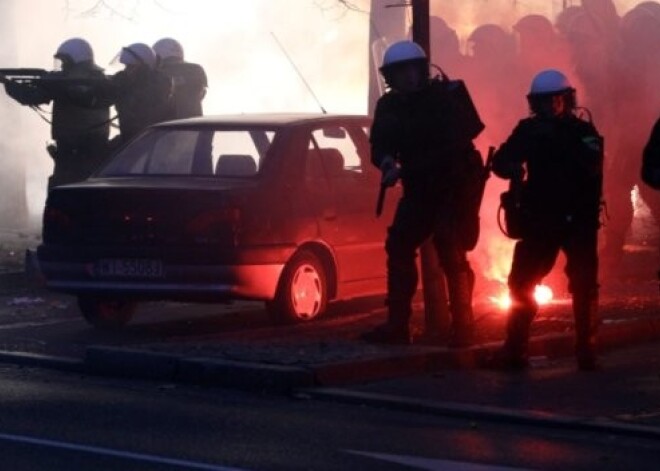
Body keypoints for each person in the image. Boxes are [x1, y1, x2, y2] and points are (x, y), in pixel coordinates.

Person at [361, 40, 483, 347]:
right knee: (399, 244)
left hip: (451, 188)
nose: (409, 77)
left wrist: (405, 170)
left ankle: (464, 327)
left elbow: (451, 149)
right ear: (391, 76)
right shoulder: (389, 106)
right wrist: (387, 161)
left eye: (413, 70)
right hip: (419, 190)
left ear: (422, 69)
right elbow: (380, 144)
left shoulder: (443, 99)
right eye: (401, 72)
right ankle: (398, 326)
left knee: (450, 249)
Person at [491, 70, 604, 371]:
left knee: (583, 284)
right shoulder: (528, 130)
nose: (548, 107)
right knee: (521, 283)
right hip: (540, 218)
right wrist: (513, 167)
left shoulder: (583, 132)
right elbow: (501, 161)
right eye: (541, 102)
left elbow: (592, 165)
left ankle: (587, 350)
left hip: (577, 219)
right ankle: (515, 349)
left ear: (566, 100)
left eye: (554, 100)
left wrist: (555, 142)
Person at [3, 38, 111, 188]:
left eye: (65, 61)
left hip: (70, 153)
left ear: (74, 61)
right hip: (98, 152)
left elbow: (31, 96)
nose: (63, 66)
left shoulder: (66, 83)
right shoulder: (101, 80)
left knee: (63, 195)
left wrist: (9, 85)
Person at [109, 43, 172, 146]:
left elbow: (139, 109)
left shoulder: (156, 88)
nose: (125, 72)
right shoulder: (129, 83)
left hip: (149, 145)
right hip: (131, 140)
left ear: (144, 68)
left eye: (130, 67)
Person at [153, 38, 207, 119]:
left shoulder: (156, 74)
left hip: (166, 128)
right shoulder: (196, 70)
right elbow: (202, 93)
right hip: (196, 127)